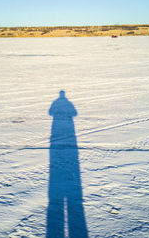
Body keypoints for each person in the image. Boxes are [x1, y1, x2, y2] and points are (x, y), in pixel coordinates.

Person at [47, 91, 88, 238]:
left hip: (57, 133)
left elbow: (50, 112)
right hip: (66, 132)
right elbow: (74, 113)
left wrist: (58, 112)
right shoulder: (68, 103)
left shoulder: (55, 102)